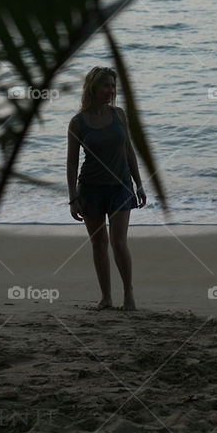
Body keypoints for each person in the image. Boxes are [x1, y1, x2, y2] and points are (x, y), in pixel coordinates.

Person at [66, 66, 147, 311]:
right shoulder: (78, 122)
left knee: (119, 242)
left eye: (113, 86)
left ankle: (129, 294)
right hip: (90, 189)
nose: (111, 90)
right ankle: (106, 297)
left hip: (121, 186)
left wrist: (139, 183)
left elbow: (129, 151)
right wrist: (73, 197)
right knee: (98, 243)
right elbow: (71, 162)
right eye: (105, 85)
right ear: (92, 88)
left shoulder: (119, 115)